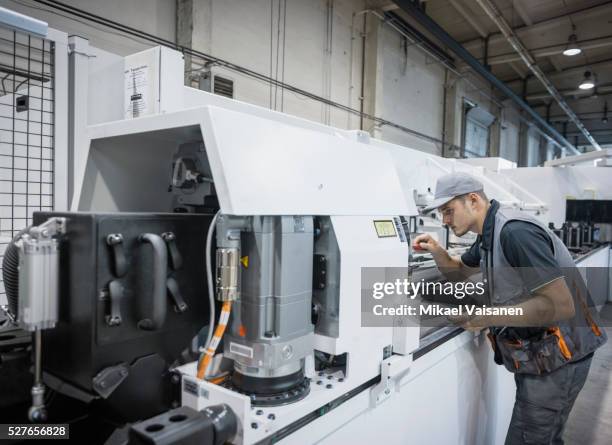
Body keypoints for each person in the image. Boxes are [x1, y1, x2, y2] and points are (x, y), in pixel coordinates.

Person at [413, 172, 606, 445]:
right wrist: (435, 249)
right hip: (543, 354)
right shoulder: (488, 235)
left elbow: (560, 305)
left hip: (560, 356)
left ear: (473, 200)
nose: (444, 220)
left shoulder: (515, 233)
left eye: (448, 211)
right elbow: (459, 272)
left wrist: (485, 317)